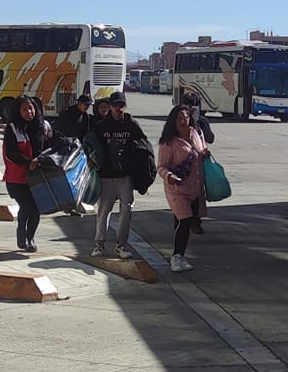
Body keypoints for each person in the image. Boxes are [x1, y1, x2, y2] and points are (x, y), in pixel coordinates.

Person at [90, 93, 147, 258]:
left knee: (127, 209)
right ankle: (99, 244)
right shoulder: (101, 126)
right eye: (115, 106)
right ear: (110, 107)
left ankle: (121, 245)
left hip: (125, 176)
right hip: (106, 175)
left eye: (121, 105)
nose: (118, 109)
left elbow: (143, 143)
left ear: (125, 106)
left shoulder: (132, 125)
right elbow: (91, 145)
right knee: (103, 210)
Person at [157, 104, 212, 273]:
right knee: (186, 221)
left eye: (185, 118)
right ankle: (176, 257)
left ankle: (180, 256)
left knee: (183, 222)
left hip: (195, 188)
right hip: (177, 189)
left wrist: (205, 153)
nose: (183, 121)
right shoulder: (168, 143)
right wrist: (169, 177)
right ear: (173, 121)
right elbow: (161, 166)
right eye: (179, 118)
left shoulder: (195, 134)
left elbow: (201, 149)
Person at [0, 96, 52, 251]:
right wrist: (29, 162)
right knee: (27, 206)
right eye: (25, 109)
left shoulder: (44, 127)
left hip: (37, 177)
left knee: (36, 208)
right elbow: (11, 153)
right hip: (17, 179)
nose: (29, 112)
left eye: (31, 108)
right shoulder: (12, 128)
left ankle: (30, 239)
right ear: (18, 111)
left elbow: (51, 145)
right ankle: (21, 230)